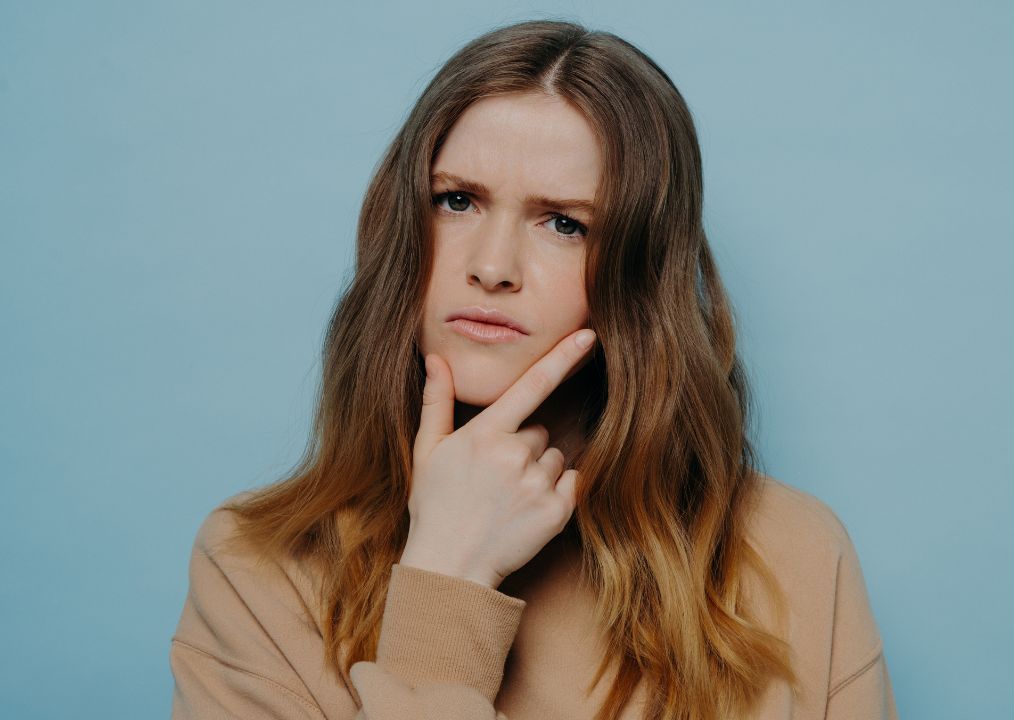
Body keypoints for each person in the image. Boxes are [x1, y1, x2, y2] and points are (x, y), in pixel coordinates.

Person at [169, 18, 897, 720]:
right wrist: (444, 580)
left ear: (639, 277)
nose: (492, 267)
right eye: (457, 201)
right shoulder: (258, 568)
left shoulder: (792, 555)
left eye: (565, 224)